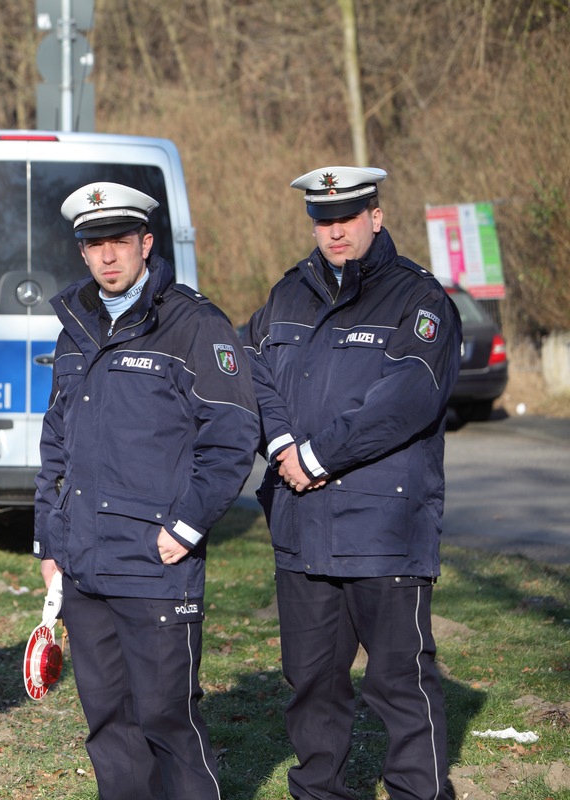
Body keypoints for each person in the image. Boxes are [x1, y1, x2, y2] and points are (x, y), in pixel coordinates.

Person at [33, 181, 260, 799]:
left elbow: (234, 434)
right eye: (94, 244)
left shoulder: (192, 324)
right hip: (84, 566)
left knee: (167, 719)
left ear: (145, 243)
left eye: (119, 242)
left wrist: (185, 527)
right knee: (109, 725)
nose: (108, 256)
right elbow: (57, 443)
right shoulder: (75, 327)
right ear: (81, 252)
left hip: (156, 562)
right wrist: (48, 542)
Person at [241, 166, 461, 800]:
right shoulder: (287, 296)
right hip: (302, 531)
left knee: (399, 684)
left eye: (346, 219)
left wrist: (317, 457)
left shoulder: (418, 300)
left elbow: (408, 397)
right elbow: (245, 371)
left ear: (376, 217)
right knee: (311, 685)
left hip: (384, 529)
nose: (333, 231)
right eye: (323, 220)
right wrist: (280, 442)